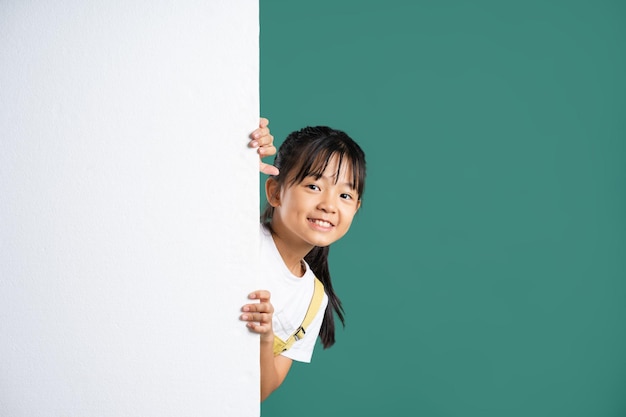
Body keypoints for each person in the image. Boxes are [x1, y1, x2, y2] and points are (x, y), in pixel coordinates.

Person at [243, 121, 367, 401]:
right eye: (313, 186)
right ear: (275, 191)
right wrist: (239, 146)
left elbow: (261, 391)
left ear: (356, 208)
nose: (329, 205)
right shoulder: (242, 239)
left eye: (345, 195)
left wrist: (265, 337)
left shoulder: (313, 300)